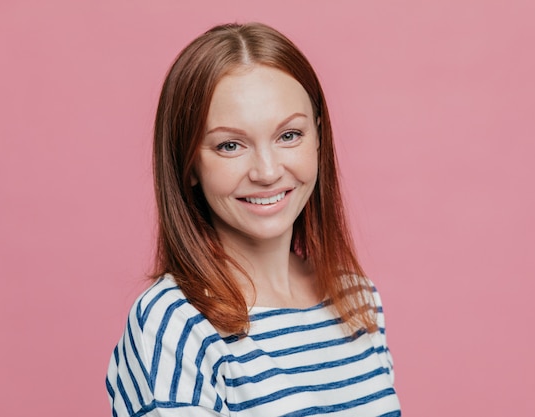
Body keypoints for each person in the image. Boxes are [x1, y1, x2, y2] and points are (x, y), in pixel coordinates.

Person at [106, 22, 401, 416]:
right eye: (230, 145)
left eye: (289, 136)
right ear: (189, 164)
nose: (266, 171)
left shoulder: (358, 299)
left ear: (318, 138)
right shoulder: (175, 323)